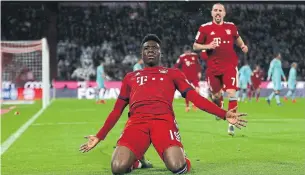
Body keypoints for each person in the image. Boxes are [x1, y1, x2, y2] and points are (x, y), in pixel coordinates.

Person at [80, 34, 247, 175]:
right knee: (117, 168)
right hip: (136, 124)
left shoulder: (172, 73)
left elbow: (195, 98)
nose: (150, 50)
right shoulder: (131, 77)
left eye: (154, 48)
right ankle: (137, 161)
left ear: (160, 53)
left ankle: (181, 156)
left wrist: (224, 114)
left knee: (177, 167)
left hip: (164, 122)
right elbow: (117, 110)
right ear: (142, 53)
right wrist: (99, 136)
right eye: (147, 48)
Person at [193, 3, 248, 136]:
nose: (218, 13)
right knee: (216, 96)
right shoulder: (204, 28)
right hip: (213, 68)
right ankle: (220, 106)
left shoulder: (231, 27)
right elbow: (195, 46)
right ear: (212, 13)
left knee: (231, 92)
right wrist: (208, 45)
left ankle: (231, 123)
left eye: (220, 11)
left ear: (224, 13)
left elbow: (237, 38)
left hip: (229, 66)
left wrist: (242, 46)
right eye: (215, 10)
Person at [174, 45, 202, 112]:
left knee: (197, 90)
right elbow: (176, 66)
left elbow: (198, 64)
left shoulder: (195, 56)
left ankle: (195, 104)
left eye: (189, 51)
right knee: (187, 91)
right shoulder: (182, 57)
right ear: (185, 51)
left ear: (190, 51)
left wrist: (199, 72)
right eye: (186, 51)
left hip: (194, 76)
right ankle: (187, 106)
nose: (188, 53)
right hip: (186, 77)